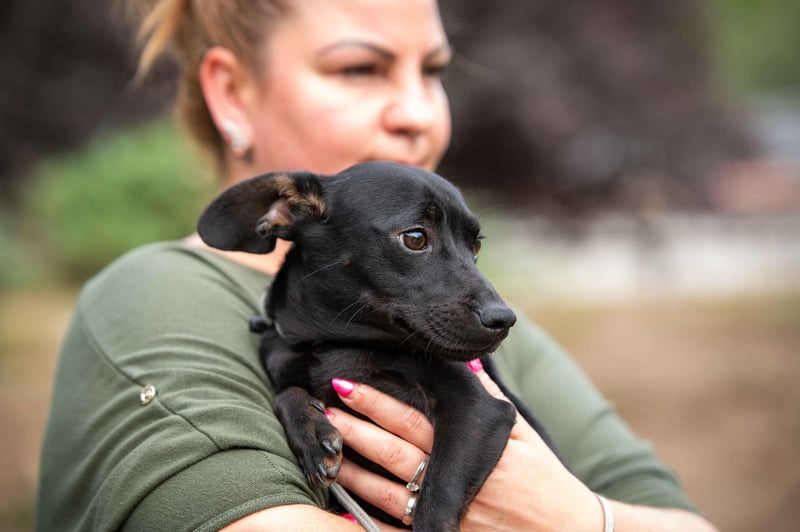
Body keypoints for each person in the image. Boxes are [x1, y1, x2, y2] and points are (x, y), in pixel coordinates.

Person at [35, 0, 718, 530]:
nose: (418, 112)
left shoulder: (471, 328)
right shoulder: (157, 298)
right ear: (232, 92)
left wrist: (573, 519)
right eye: (359, 68)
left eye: (434, 72)